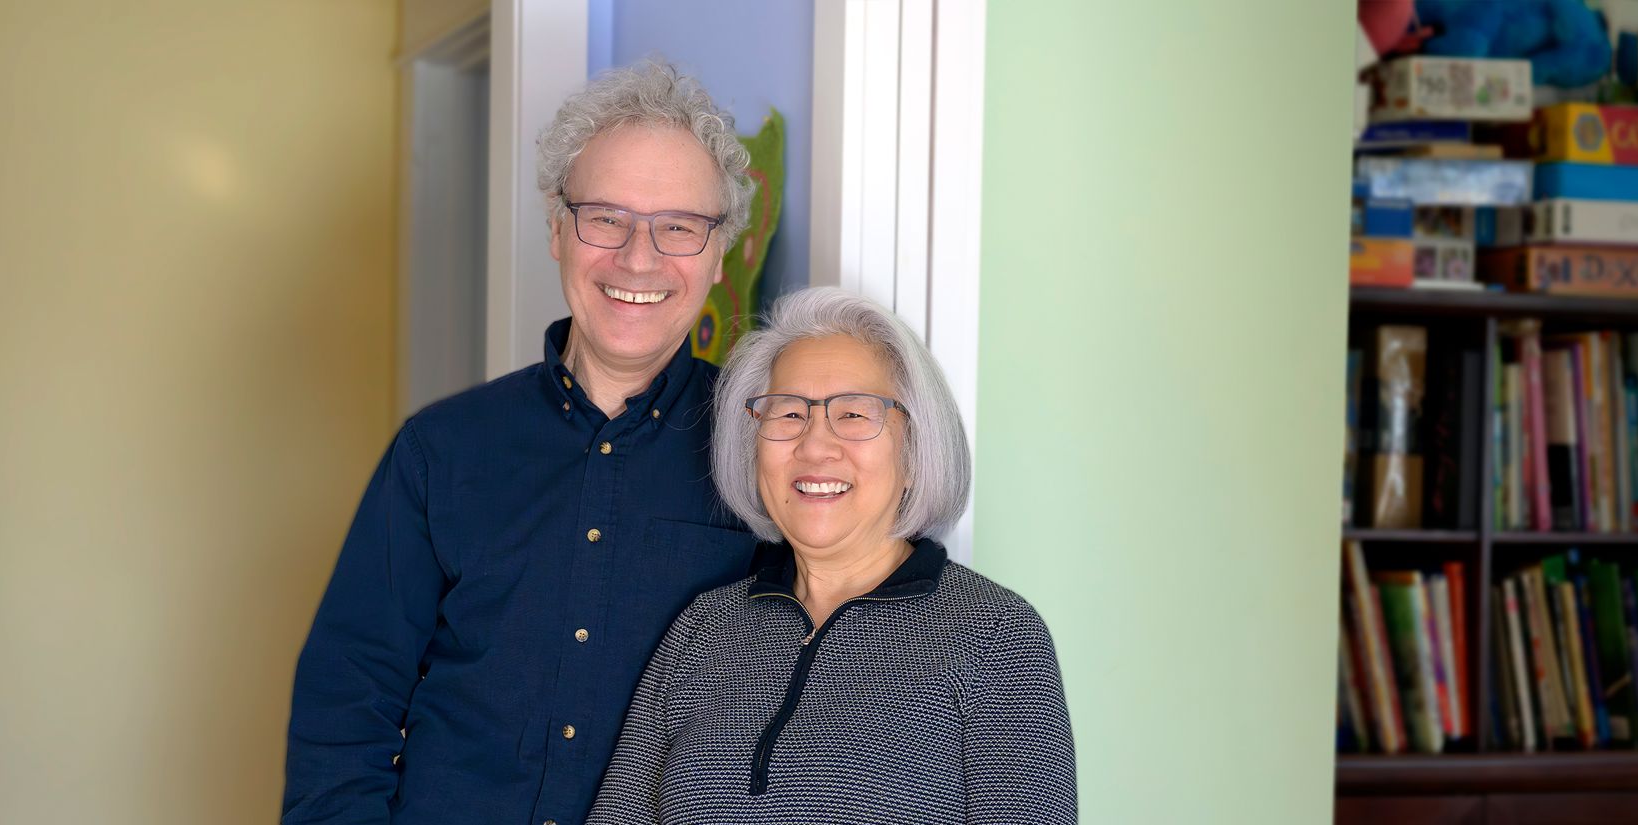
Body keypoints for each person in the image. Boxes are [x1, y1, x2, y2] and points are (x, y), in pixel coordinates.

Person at [283, 60, 760, 825]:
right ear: (556, 229)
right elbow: (345, 703)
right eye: (605, 217)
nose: (639, 257)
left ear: (719, 250)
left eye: (678, 226)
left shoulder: (765, 451)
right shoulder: (439, 450)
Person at [586, 288, 1078, 824]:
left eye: (854, 414)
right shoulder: (701, 630)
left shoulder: (997, 637)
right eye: (788, 413)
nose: (815, 446)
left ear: (915, 451)